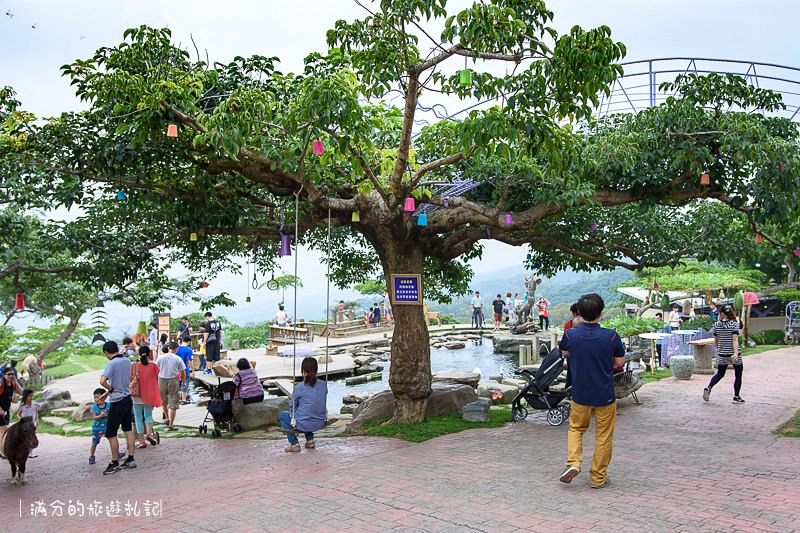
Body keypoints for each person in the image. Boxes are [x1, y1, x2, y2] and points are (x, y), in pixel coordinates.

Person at [558, 293, 625, 489]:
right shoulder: (611, 335)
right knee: (603, 436)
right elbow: (619, 362)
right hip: (604, 394)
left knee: (576, 429)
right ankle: (597, 478)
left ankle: (574, 463)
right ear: (600, 313)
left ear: (579, 312)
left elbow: (564, 352)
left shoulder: (571, 334)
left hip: (580, 394)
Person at [99, 340, 137, 474]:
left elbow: (102, 381)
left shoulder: (112, 363)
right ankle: (131, 458)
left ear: (106, 352)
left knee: (111, 433)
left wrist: (110, 388)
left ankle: (115, 462)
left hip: (117, 402)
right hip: (127, 399)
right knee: (128, 429)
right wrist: (108, 392)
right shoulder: (126, 361)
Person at [280, 357, 327, 452]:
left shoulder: (299, 387)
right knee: (308, 410)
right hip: (320, 422)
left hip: (304, 423)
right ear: (317, 369)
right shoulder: (324, 385)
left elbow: (292, 406)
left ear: (303, 371)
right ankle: (310, 441)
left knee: (284, 415)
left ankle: (294, 443)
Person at [703, 305, 745, 404]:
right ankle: (736, 396)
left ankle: (709, 387)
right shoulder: (734, 324)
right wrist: (735, 353)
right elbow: (735, 339)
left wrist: (718, 349)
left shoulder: (716, 325)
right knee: (738, 375)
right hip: (733, 354)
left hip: (722, 354)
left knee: (720, 374)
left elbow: (716, 340)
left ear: (722, 313)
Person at [131, 346, 161, 449]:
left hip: (137, 395)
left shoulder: (134, 366)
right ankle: (149, 434)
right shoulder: (153, 365)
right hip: (149, 394)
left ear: (138, 354)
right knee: (148, 415)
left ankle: (142, 441)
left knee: (138, 417)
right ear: (149, 353)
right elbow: (157, 377)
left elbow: (131, 379)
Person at [157, 342, 184, 430]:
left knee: (163, 401)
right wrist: (183, 382)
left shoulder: (160, 357)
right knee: (173, 403)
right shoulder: (178, 358)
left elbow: (156, 369)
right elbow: (183, 372)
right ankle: (171, 424)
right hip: (173, 380)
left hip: (161, 380)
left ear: (169, 348)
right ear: (176, 349)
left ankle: (167, 418)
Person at [0, 366, 23, 445]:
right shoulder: (1, 384)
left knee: (3, 431)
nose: (11, 376)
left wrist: (16, 382)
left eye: (12, 374)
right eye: (8, 374)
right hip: (1, 411)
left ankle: (2, 449)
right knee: (5, 430)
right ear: (3, 375)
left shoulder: (13, 385)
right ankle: (3, 449)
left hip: (6, 411)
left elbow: (22, 392)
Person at [16, 388, 42, 458]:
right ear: (25, 396)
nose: (31, 397)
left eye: (32, 396)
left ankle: (30, 452)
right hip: (25, 424)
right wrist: (21, 419)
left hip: (32, 424)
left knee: (32, 437)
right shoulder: (22, 406)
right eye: (30, 396)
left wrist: (37, 421)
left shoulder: (34, 404)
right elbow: (18, 414)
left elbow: (36, 413)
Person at [89, 388, 111, 465]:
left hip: (107, 427)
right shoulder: (93, 407)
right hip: (97, 428)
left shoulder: (109, 405)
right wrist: (101, 416)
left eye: (98, 397)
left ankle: (116, 452)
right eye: (95, 397)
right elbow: (94, 417)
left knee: (112, 439)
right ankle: (92, 456)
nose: (96, 399)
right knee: (94, 442)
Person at [176, 338, 195, 404]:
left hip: (177, 370)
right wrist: (193, 370)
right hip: (185, 369)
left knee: (177, 384)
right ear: (189, 342)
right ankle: (184, 400)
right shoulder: (189, 350)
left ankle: (177, 399)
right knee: (185, 384)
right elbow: (190, 361)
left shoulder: (177, 348)